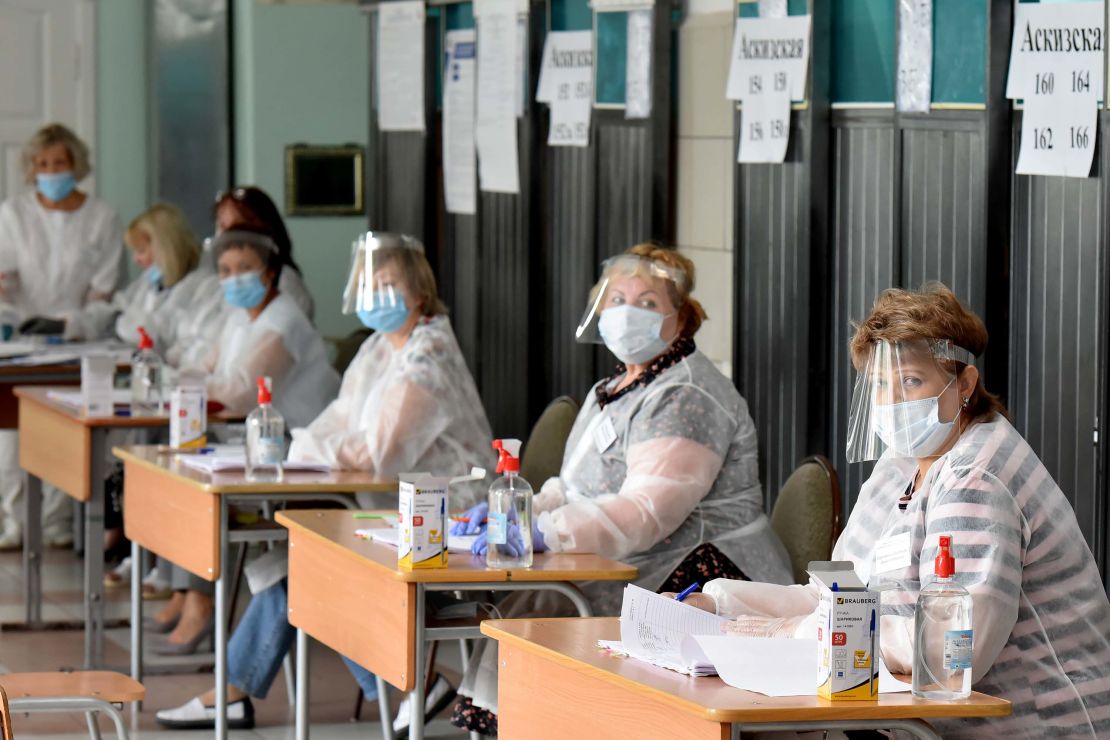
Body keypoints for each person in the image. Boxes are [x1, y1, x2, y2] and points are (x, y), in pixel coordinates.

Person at [685, 284, 1110, 738]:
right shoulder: (900, 464)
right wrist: (718, 606)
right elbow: (831, 597)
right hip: (917, 721)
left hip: (1035, 726)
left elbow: (951, 648)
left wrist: (802, 634)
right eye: (880, 383)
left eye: (911, 380)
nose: (891, 402)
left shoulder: (976, 477)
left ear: (964, 384)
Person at [156, 232, 493, 731]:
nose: (377, 294)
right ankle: (403, 690)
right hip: (390, 514)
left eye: (390, 283)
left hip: (446, 525)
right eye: (369, 284)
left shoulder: (428, 357)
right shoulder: (381, 347)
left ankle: (400, 689)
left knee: (309, 572)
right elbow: (336, 422)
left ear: (418, 290)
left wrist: (314, 447)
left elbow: (377, 451)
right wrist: (313, 445)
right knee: (300, 567)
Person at [451, 244, 792, 734]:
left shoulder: (687, 394)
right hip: (633, 555)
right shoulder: (614, 388)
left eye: (649, 302)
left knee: (542, 612)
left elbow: (645, 512)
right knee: (527, 608)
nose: (628, 312)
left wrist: (547, 531)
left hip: (700, 568)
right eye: (616, 299)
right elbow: (574, 484)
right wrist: (520, 510)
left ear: (683, 316)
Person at [148, 225, 339, 658]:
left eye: (245, 269)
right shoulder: (239, 317)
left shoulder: (284, 319)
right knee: (179, 470)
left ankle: (198, 602)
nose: (234, 279)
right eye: (226, 270)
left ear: (270, 274)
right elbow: (203, 367)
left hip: (298, 443)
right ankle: (186, 594)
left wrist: (198, 379)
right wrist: (195, 377)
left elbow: (239, 390)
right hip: (256, 434)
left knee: (197, 484)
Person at [0, 123, 123, 548]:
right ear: (30, 169)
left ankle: (56, 525)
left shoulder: (101, 218)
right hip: (19, 339)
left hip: (78, 339)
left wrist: (72, 323)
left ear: (77, 165)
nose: (50, 171)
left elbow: (103, 290)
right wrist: (14, 316)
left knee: (65, 430)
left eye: (59, 163)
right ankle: (15, 523)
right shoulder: (13, 214)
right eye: (42, 164)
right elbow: (3, 278)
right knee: (11, 435)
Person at [213, 187, 314, 320]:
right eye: (222, 226)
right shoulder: (220, 282)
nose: (225, 236)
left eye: (236, 226)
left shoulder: (285, 281)